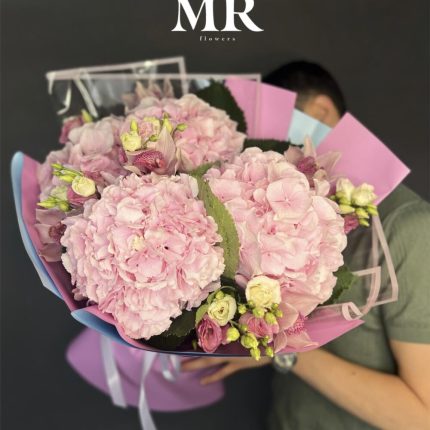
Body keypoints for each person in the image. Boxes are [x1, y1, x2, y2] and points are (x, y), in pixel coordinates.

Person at [182, 61, 430, 429]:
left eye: (277, 128)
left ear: (321, 112)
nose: (268, 150)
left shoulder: (409, 229)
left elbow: (422, 416)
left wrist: (280, 348)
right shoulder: (274, 218)